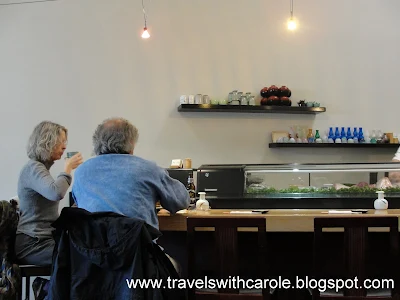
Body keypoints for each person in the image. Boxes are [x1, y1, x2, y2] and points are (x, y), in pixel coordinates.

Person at [71, 117, 190, 273]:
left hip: (92, 263)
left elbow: (79, 205)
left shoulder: (81, 172)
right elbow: (181, 201)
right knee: (176, 268)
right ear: (131, 143)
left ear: (96, 143)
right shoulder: (148, 169)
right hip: (140, 261)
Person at [15, 121, 83, 266]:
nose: (64, 146)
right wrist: (68, 168)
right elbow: (56, 192)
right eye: (61, 142)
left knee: (84, 252)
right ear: (47, 142)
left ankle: (47, 287)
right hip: (32, 243)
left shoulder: (40, 169)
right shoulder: (33, 168)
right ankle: (46, 288)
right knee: (79, 259)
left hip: (44, 240)